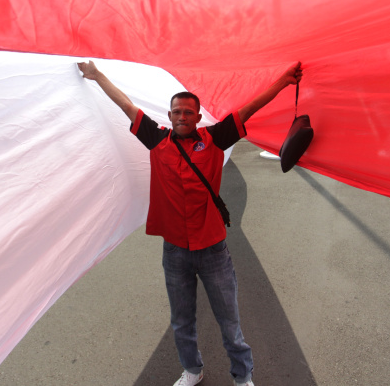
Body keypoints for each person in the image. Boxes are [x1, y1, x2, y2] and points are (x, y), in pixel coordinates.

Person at [77, 60, 303, 386]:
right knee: (182, 321)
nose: (182, 117)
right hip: (175, 253)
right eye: (176, 112)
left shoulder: (214, 139)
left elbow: (249, 108)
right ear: (168, 116)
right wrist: (97, 76)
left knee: (229, 320)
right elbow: (126, 105)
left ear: (198, 117)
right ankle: (192, 371)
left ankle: (243, 377)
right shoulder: (157, 140)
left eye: (188, 112)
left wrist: (282, 81)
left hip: (213, 251)